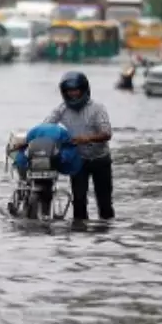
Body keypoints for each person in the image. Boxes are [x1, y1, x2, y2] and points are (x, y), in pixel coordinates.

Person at [44, 71, 114, 221]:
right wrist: (28, 140)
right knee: (79, 201)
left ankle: (106, 235)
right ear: (64, 93)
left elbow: (107, 133)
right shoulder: (61, 109)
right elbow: (46, 126)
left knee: (105, 203)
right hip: (78, 161)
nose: (73, 94)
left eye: (76, 90)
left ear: (84, 89)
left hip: (100, 159)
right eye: (69, 91)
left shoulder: (97, 108)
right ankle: (79, 238)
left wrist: (86, 138)